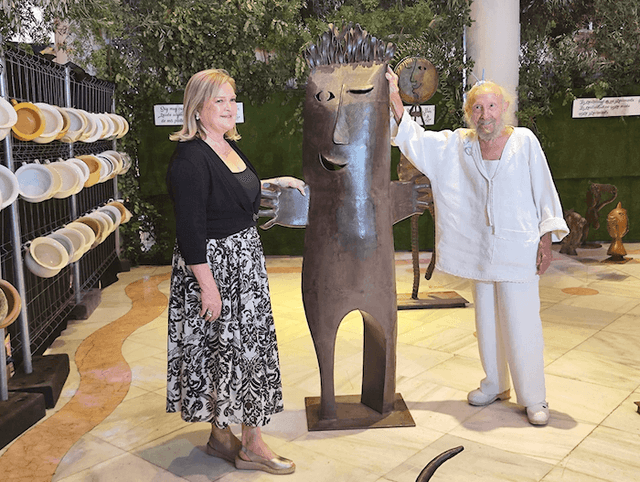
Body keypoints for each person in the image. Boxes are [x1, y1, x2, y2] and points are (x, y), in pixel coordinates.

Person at [386, 67, 569, 426]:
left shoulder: (525, 141)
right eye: (478, 109)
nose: (485, 116)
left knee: (522, 323)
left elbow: (544, 191)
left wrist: (546, 238)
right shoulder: (459, 145)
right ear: (470, 114)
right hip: (481, 251)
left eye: (491, 107)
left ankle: (534, 398)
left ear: (504, 108)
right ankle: (495, 384)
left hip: (519, 249)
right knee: (486, 321)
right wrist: (394, 94)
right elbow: (415, 139)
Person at [165, 68, 303, 474]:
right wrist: (208, 288)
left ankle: (221, 436)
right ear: (198, 109)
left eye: (231, 100)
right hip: (214, 270)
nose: (229, 108)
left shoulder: (227, 146)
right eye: (219, 101)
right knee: (227, 355)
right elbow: (190, 231)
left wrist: (276, 181)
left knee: (242, 353)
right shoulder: (189, 160)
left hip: (243, 265)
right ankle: (251, 446)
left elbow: (233, 188)